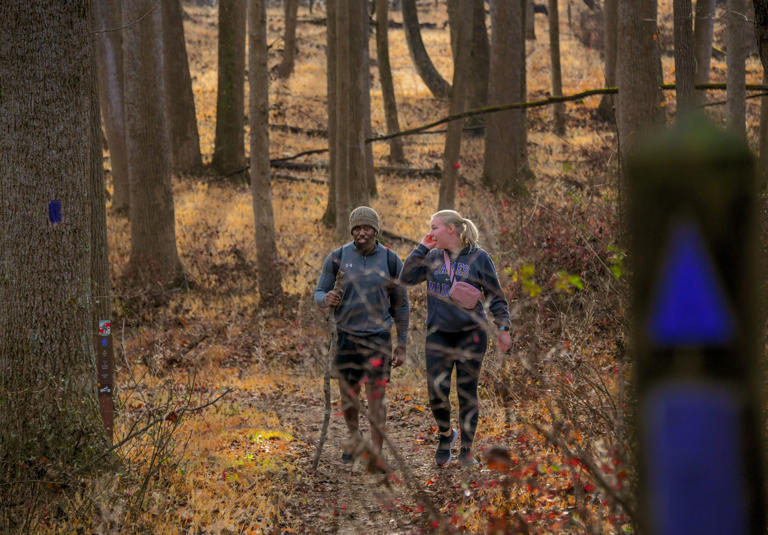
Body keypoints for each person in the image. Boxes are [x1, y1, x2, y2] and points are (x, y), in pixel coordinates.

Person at [401, 209, 512, 468]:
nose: (431, 232)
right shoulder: (431, 258)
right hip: (438, 336)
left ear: (451, 229)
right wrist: (420, 248)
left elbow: (496, 296)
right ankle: (445, 435)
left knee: (467, 393)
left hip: (470, 337)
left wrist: (503, 327)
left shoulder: (479, 258)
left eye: (435, 227)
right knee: (436, 394)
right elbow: (405, 278)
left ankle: (466, 448)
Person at [314, 206, 409, 465]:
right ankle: (355, 438)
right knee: (349, 396)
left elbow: (401, 304)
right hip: (347, 338)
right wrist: (327, 298)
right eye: (356, 228)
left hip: (378, 338)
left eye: (366, 227)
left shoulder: (391, 260)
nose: (361, 232)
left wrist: (402, 344)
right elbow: (319, 292)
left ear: (375, 231)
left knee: (376, 397)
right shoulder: (337, 257)